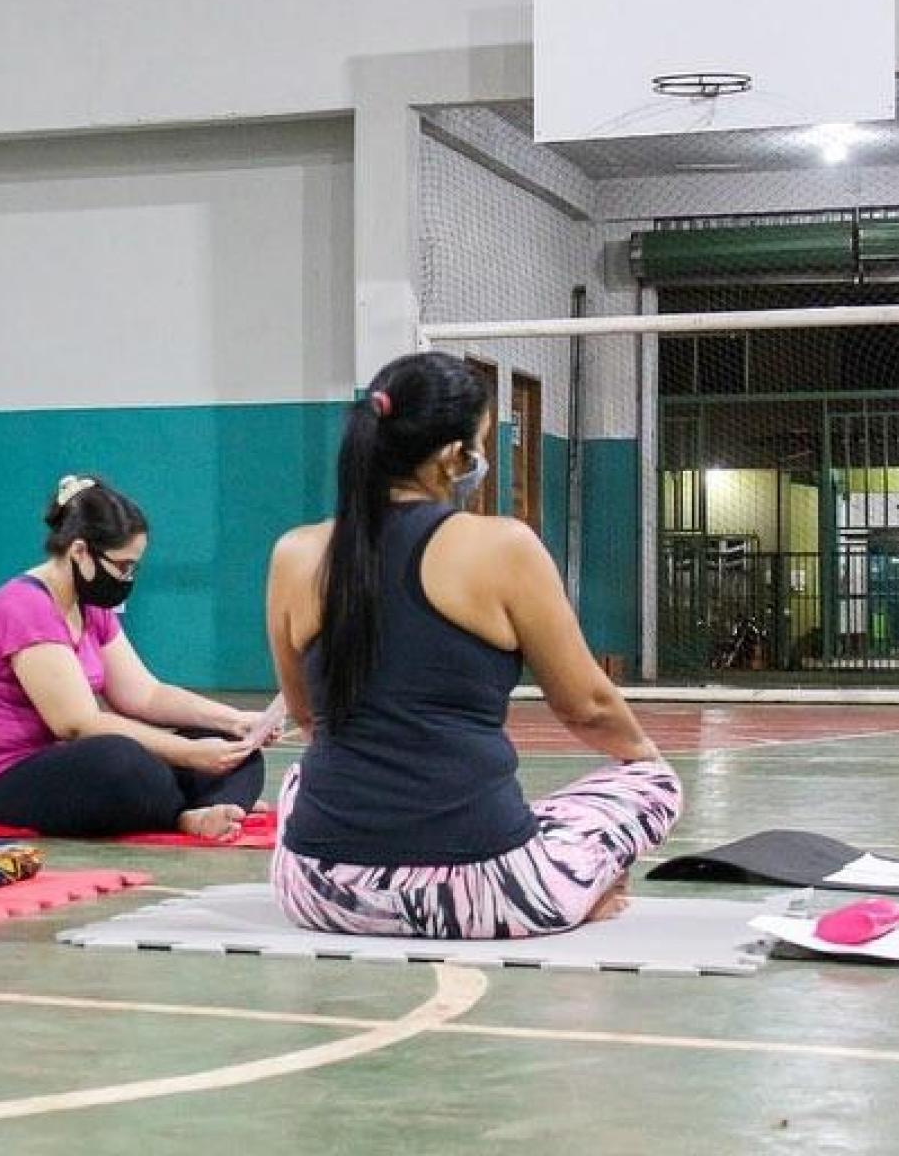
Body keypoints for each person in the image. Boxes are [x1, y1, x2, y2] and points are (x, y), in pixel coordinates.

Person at [264, 351, 682, 939]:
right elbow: (586, 706)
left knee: (301, 780)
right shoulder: (505, 545)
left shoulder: (294, 552)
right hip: (483, 892)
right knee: (653, 785)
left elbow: (307, 714)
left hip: (320, 891)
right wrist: (645, 759)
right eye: (481, 444)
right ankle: (576, 882)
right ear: (451, 457)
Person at [0, 476, 284, 840]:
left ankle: (194, 808)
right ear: (80, 552)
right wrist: (190, 755)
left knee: (235, 751)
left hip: (76, 766)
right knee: (118, 761)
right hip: (8, 777)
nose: (128, 576)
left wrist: (236, 721)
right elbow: (77, 724)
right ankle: (185, 813)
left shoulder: (91, 606)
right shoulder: (25, 608)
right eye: (123, 565)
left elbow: (145, 695)